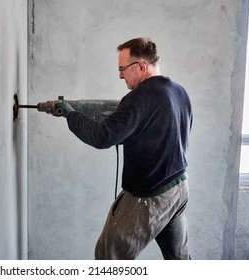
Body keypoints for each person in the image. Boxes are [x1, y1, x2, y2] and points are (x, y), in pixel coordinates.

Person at [56, 37, 193, 260]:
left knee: (108, 257)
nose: (120, 75)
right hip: (179, 188)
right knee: (178, 259)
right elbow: (164, 134)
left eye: (122, 69)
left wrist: (71, 115)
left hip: (150, 195)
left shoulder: (139, 97)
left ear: (141, 66)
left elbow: (102, 137)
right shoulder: (180, 92)